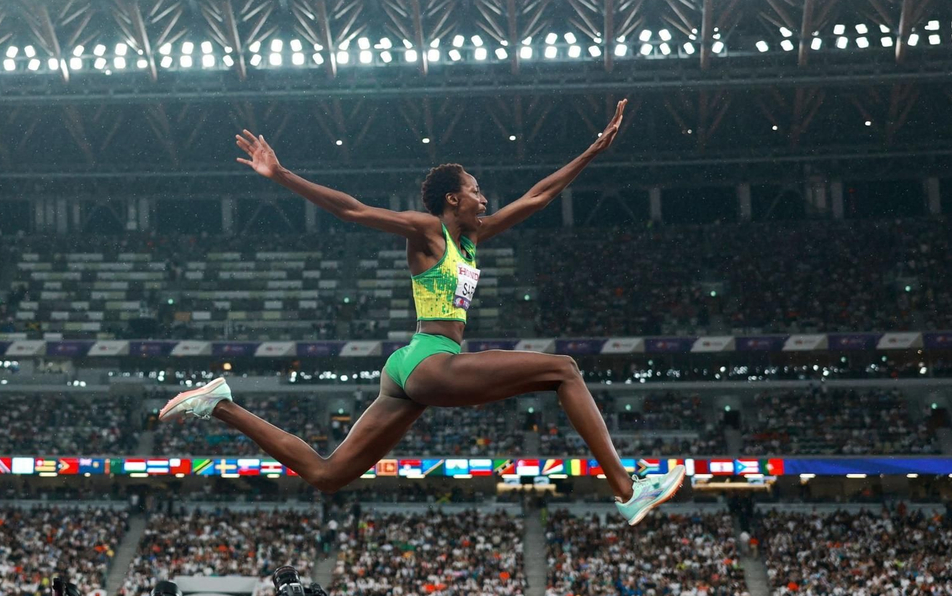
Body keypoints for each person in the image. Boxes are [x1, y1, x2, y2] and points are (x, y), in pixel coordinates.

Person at [159, 99, 684, 524]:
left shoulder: (474, 237)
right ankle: (624, 487)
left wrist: (592, 150)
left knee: (327, 475)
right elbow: (353, 209)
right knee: (562, 370)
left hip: (410, 368)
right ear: (452, 200)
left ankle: (221, 406)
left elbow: (539, 196)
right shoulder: (429, 230)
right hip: (430, 361)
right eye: (475, 190)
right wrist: (281, 175)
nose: (484, 197)